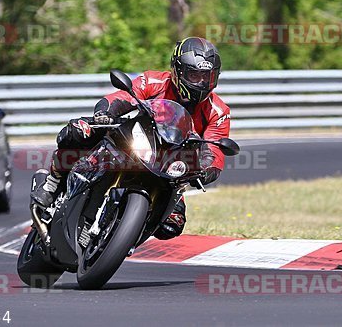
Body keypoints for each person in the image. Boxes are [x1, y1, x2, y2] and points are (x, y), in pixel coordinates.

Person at [31, 36, 231, 240]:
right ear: (178, 70)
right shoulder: (155, 81)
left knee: (172, 225)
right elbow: (124, 96)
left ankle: (123, 238)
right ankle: (52, 183)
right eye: (194, 75)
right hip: (136, 140)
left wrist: (205, 169)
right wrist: (107, 113)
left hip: (170, 166)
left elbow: (215, 150)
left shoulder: (218, 111)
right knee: (78, 131)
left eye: (207, 76)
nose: (201, 82)